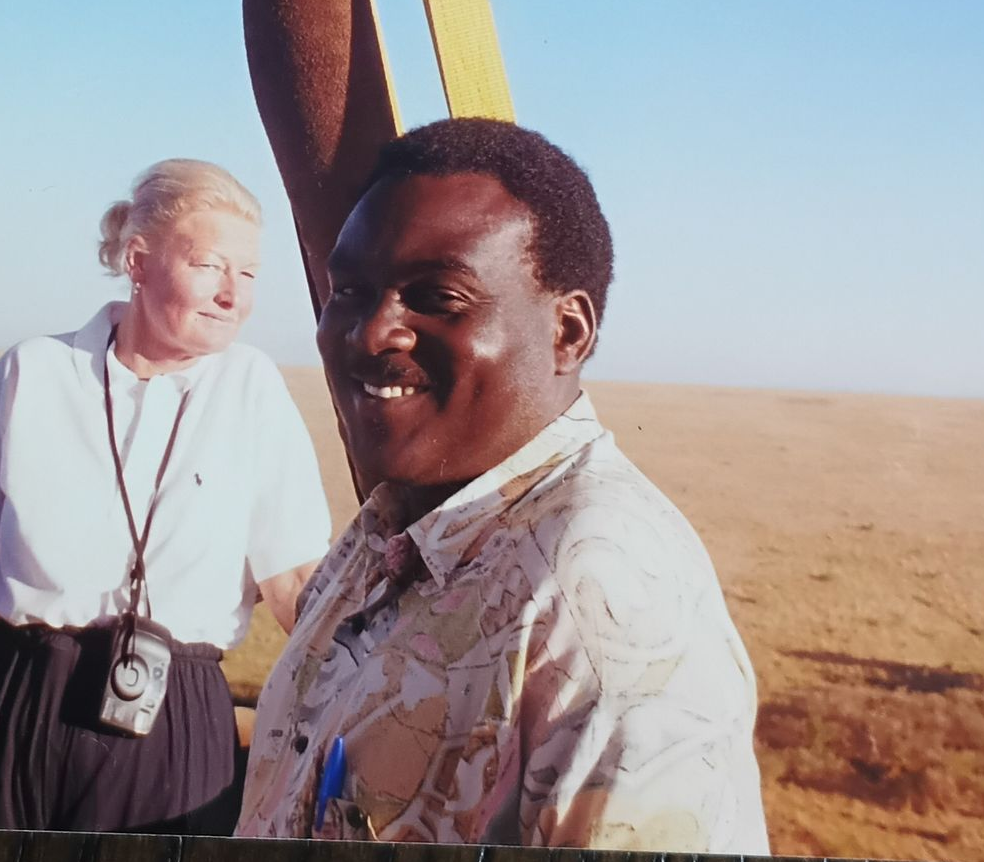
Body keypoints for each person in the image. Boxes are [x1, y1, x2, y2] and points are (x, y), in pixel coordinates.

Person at [235, 118, 769, 852]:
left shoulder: (598, 597)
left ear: (568, 333)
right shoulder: (392, 528)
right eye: (349, 290)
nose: (370, 333)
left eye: (436, 297)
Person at [0, 159, 333, 834]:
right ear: (138, 262)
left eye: (251, 273)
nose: (234, 294)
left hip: (175, 741)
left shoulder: (253, 392)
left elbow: (296, 584)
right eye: (210, 265)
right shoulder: (34, 373)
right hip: (7, 717)